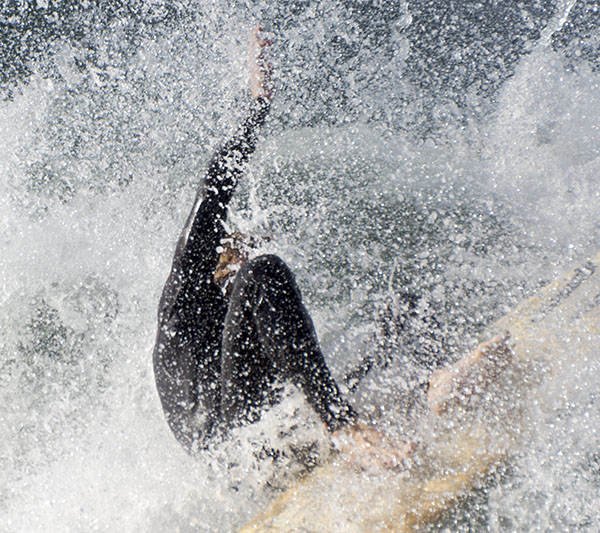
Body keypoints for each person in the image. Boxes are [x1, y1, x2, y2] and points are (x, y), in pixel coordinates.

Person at [152, 27, 412, 469]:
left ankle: (436, 379)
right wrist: (259, 106)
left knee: (402, 311)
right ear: (215, 260)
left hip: (270, 426)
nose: (241, 261)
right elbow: (215, 186)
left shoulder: (238, 328)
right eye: (235, 255)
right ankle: (346, 428)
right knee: (265, 273)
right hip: (232, 456)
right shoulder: (185, 297)